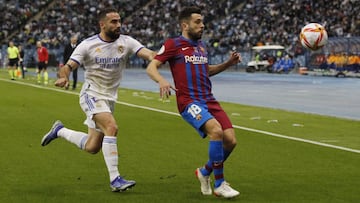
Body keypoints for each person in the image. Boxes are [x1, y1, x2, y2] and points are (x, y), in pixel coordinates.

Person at [41, 7, 155, 192]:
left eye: (119, 21)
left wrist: (163, 55)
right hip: (91, 94)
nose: (119, 25)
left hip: (109, 98)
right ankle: (115, 179)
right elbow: (68, 66)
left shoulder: (127, 42)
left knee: (92, 146)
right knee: (112, 127)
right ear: (102, 24)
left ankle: (59, 131)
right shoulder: (87, 45)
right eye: (114, 22)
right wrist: (64, 76)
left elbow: (149, 54)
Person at [146, 6, 241, 198]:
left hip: (209, 99)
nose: (202, 25)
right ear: (184, 25)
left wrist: (227, 64)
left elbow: (206, 71)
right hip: (189, 101)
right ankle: (220, 183)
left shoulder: (201, 47)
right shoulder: (174, 44)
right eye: (197, 22)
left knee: (230, 141)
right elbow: (151, 67)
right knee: (216, 131)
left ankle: (204, 172)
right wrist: (162, 80)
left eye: (202, 22)